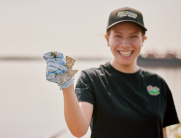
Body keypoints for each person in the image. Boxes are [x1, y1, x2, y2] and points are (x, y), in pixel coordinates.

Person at [43, 7, 180, 138]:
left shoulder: (158, 84)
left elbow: (163, 134)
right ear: (107, 39)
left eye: (133, 36)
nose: (125, 44)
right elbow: (79, 130)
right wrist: (67, 86)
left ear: (143, 40)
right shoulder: (92, 79)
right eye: (118, 36)